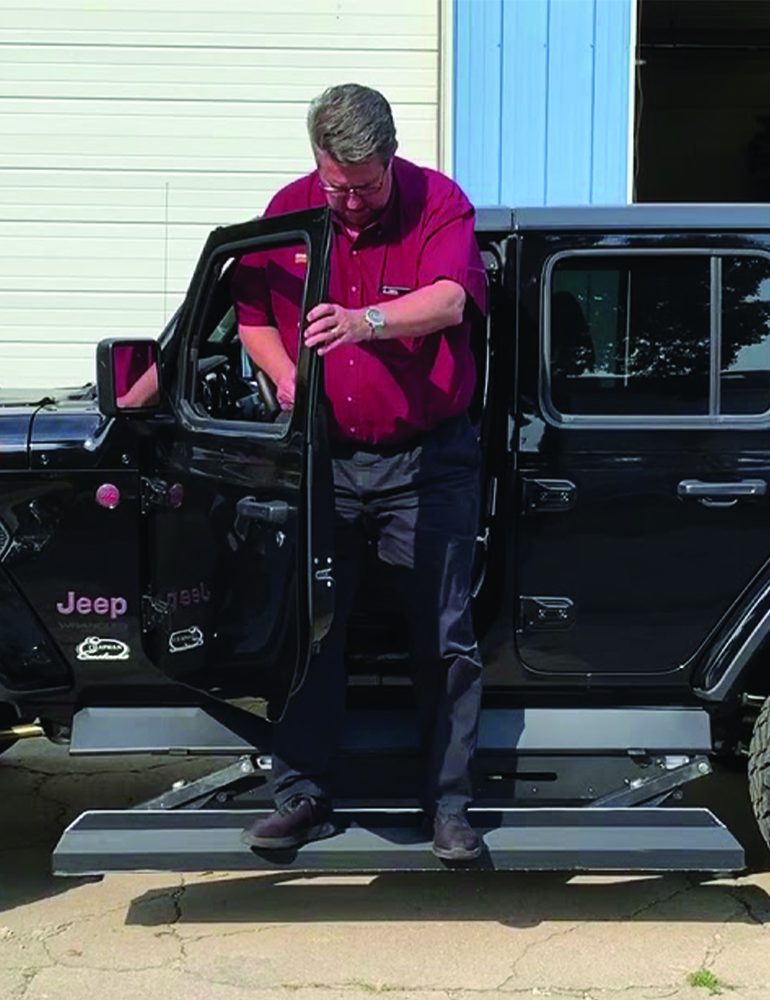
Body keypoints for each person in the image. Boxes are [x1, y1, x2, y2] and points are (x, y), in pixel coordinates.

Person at [234, 83, 487, 861]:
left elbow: (449, 300)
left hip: (427, 460)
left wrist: (364, 322)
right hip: (323, 461)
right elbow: (250, 318)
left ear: (391, 154)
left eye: (364, 185)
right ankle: (302, 793)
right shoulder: (288, 209)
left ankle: (447, 809)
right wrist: (285, 376)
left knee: (442, 636)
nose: (348, 203)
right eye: (336, 186)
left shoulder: (437, 202)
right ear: (317, 161)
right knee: (312, 630)